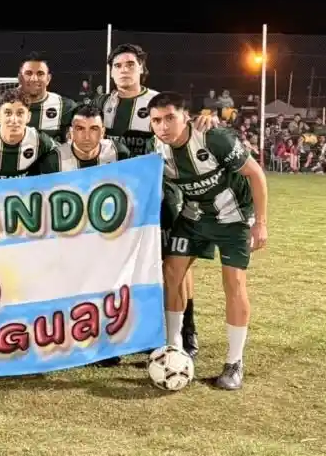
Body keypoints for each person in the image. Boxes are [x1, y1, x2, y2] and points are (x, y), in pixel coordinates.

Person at [97, 43, 215, 358]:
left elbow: (186, 127)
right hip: (117, 198)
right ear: (111, 72)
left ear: (142, 69)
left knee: (173, 263)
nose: (124, 70)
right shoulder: (101, 104)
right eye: (118, 65)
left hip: (163, 194)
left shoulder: (158, 102)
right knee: (121, 265)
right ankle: (127, 332)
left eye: (130, 64)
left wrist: (206, 119)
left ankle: (187, 330)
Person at [148, 91, 269, 390]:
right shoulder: (156, 149)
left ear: (185, 117)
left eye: (170, 118)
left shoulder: (214, 138)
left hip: (233, 218)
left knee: (234, 283)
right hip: (193, 217)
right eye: (156, 121)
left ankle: (234, 362)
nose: (163, 126)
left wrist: (260, 224)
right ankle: (174, 347)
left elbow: (256, 174)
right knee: (171, 271)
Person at [0, 88, 58, 179]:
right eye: (8, 113)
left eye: (20, 113)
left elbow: (60, 153)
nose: (14, 120)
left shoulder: (40, 141)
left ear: (28, 117)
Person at [39, 104, 129, 172]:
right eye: (80, 129)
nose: (87, 137)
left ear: (102, 132)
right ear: (71, 132)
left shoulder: (119, 153)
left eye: (94, 129)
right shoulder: (55, 160)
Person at [17, 52, 76, 143]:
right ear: (20, 78)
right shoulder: (5, 104)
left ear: (48, 79)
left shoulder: (65, 106)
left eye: (40, 74)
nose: (34, 79)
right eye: (28, 73)